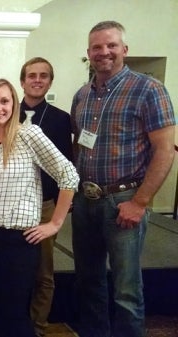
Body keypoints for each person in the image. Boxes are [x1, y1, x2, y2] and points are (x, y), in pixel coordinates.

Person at [70, 21, 175, 337]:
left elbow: (165, 150)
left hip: (123, 203)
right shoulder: (82, 95)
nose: (104, 52)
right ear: (88, 53)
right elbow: (79, 143)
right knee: (89, 282)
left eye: (111, 45)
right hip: (85, 202)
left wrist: (140, 202)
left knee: (126, 289)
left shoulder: (149, 89)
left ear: (124, 50)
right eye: (97, 47)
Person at [0, 79, 78, 337]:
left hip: (18, 239)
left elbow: (68, 175)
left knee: (13, 312)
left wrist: (55, 223)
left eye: (5, 101)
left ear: (14, 104)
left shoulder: (28, 135)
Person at [18, 57, 73, 337]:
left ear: (50, 81)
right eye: (31, 75)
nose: (37, 80)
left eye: (43, 76)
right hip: (13, 207)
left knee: (43, 271)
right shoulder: (6, 114)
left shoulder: (61, 119)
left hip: (44, 206)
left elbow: (67, 166)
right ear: (22, 81)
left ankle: (38, 326)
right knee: (15, 270)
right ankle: (14, 323)